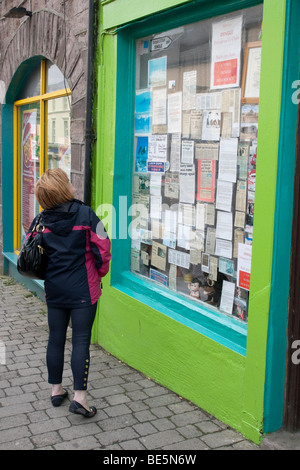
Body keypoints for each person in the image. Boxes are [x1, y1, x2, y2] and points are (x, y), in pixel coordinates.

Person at [27, 168, 111, 418]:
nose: (72, 184)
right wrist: (101, 272)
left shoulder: (41, 221)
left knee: (55, 338)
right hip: (84, 289)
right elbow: (104, 247)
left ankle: (56, 391)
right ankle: (80, 399)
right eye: (67, 181)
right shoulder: (86, 214)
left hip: (54, 288)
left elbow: (31, 249)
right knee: (81, 340)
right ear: (63, 188)